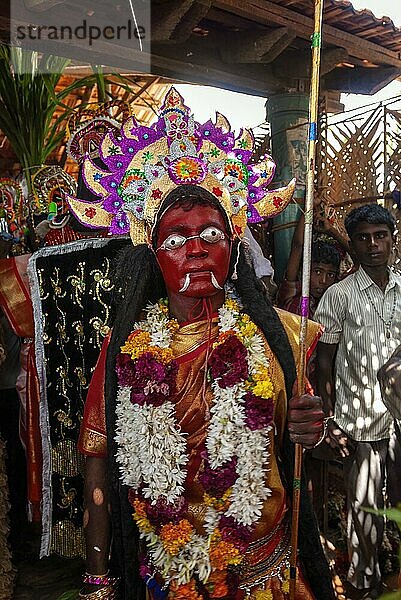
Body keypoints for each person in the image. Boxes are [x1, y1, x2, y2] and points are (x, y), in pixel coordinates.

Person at [72, 88, 334, 600]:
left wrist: (314, 430)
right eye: (175, 239)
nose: (194, 249)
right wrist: (98, 580)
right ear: (152, 254)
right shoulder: (123, 351)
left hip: (266, 572)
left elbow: (302, 435)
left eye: (210, 234)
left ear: (234, 247)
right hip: (168, 572)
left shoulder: (277, 336)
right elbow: (97, 458)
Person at [315, 204, 401, 599]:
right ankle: (364, 580)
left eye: (380, 236)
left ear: (392, 241)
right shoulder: (338, 297)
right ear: (351, 244)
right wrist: (330, 417)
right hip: (359, 421)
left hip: (400, 418)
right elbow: (325, 363)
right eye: (364, 237)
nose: (373, 245)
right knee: (364, 507)